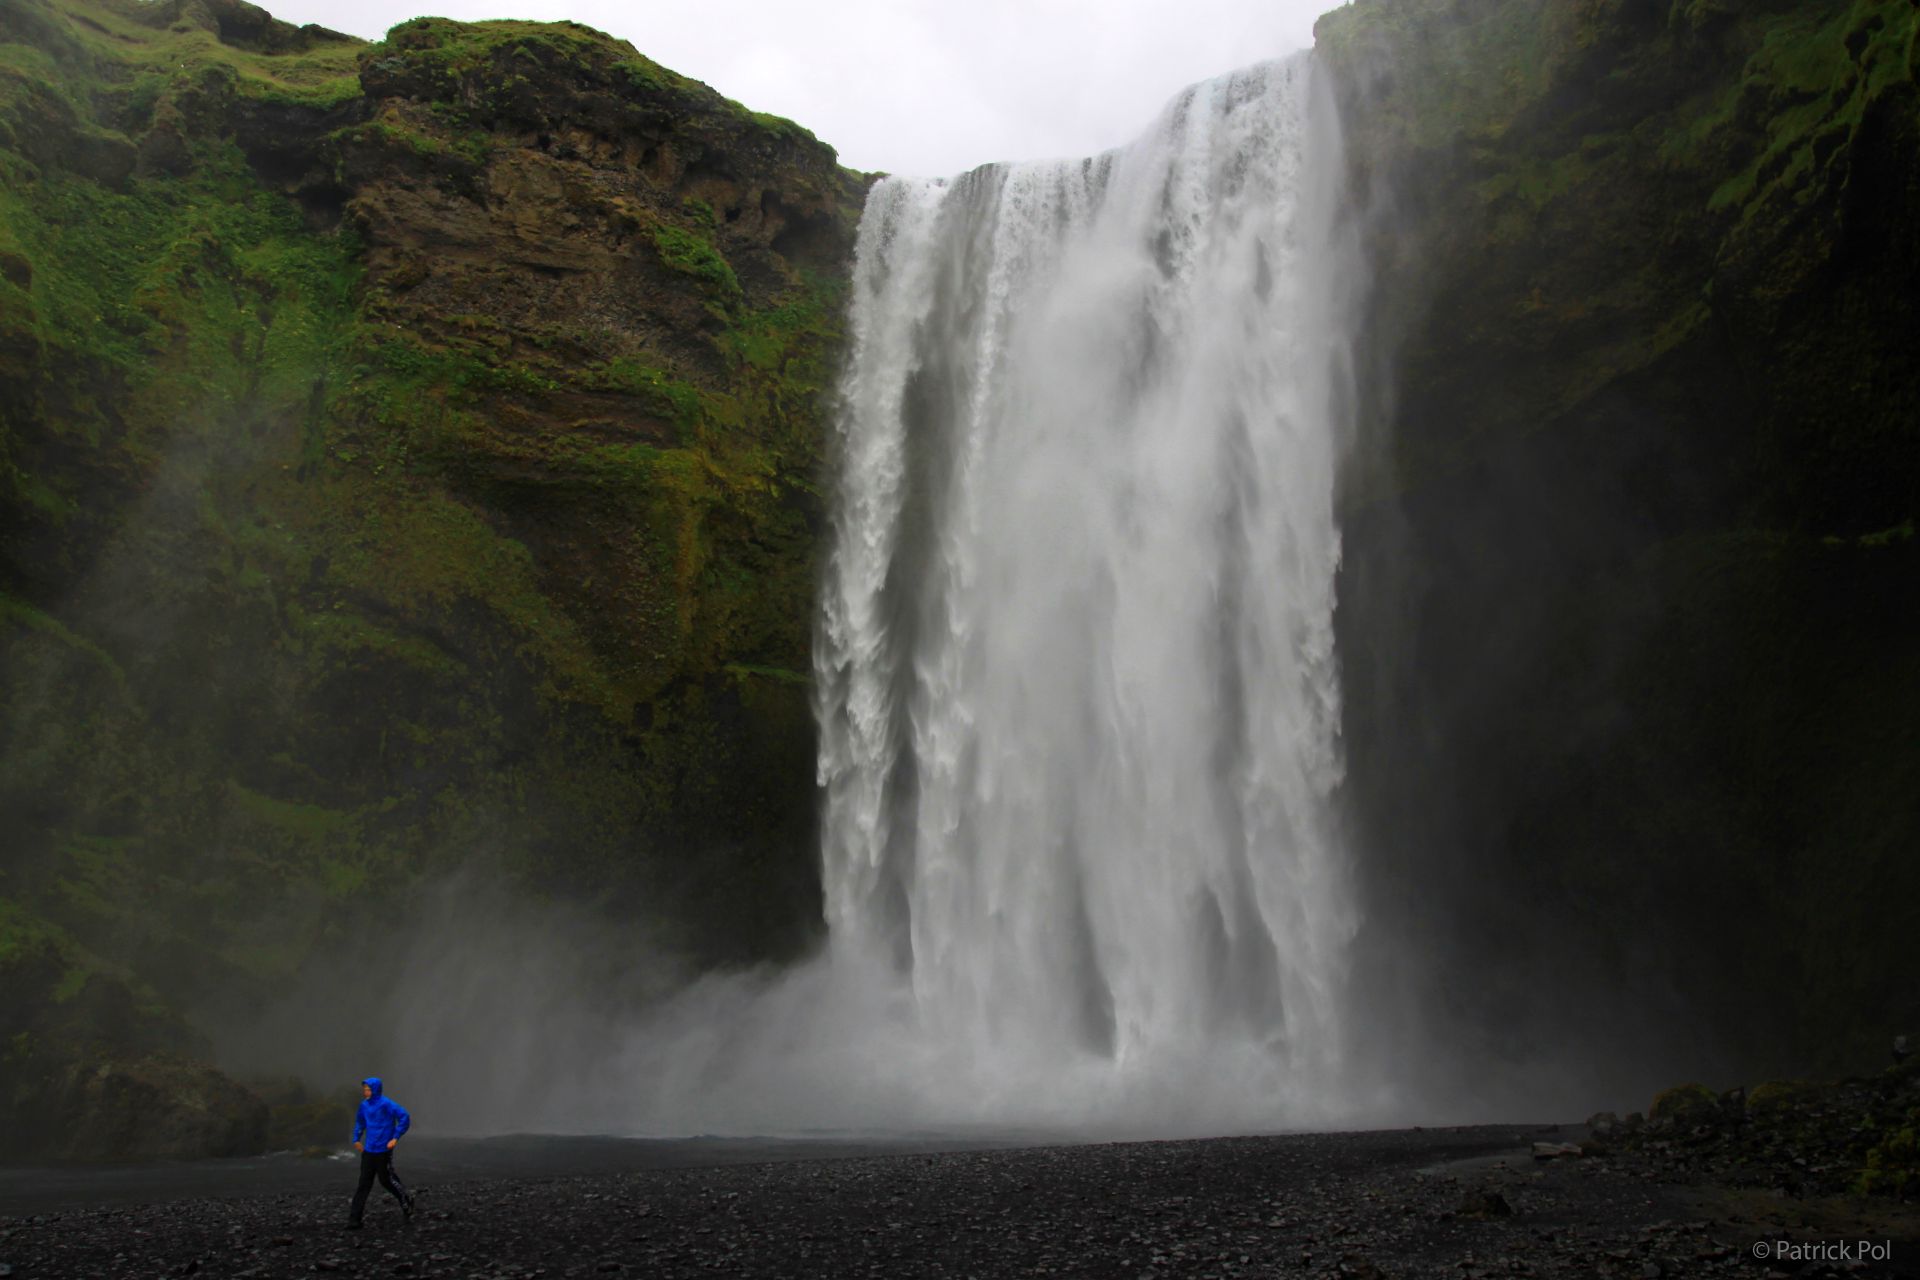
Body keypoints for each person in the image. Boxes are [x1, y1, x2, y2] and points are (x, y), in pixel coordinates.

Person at [346, 1076, 416, 1229]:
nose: (365, 1092)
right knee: (364, 1183)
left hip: (384, 1149)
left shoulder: (386, 1104)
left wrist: (395, 1137)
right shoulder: (364, 1106)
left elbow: (404, 1116)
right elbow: (360, 1121)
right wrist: (357, 1138)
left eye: (368, 1089)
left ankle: (405, 1199)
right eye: (364, 1089)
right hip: (369, 1149)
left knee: (386, 1180)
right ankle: (354, 1219)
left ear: (375, 1089)